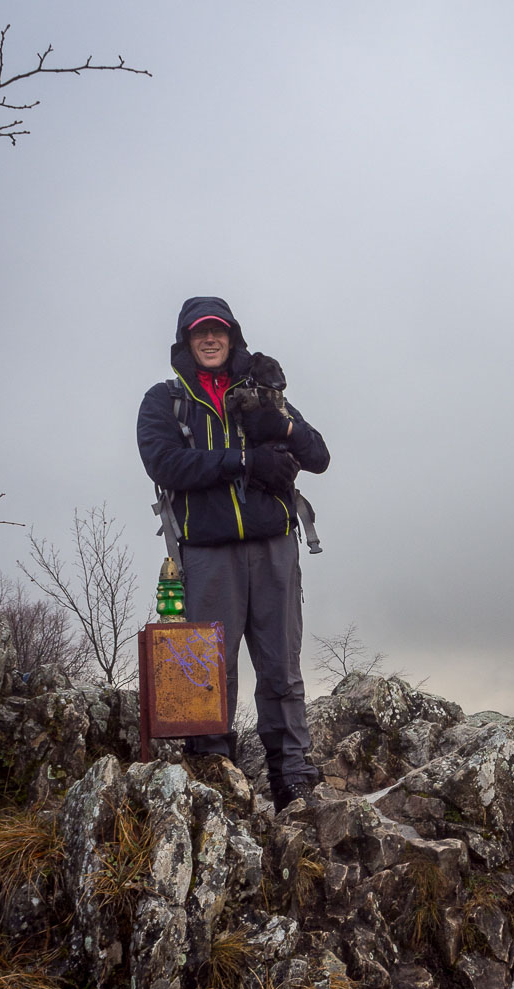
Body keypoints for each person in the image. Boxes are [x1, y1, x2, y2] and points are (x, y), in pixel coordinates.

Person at [137, 296, 330, 812]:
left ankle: (292, 777)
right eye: (199, 332)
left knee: (281, 667)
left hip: (273, 548)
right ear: (185, 342)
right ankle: (216, 774)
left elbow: (319, 457)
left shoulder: (262, 395)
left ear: (232, 337)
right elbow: (165, 464)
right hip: (206, 555)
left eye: (217, 331)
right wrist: (242, 460)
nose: (209, 339)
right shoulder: (165, 401)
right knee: (207, 671)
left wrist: (282, 426)